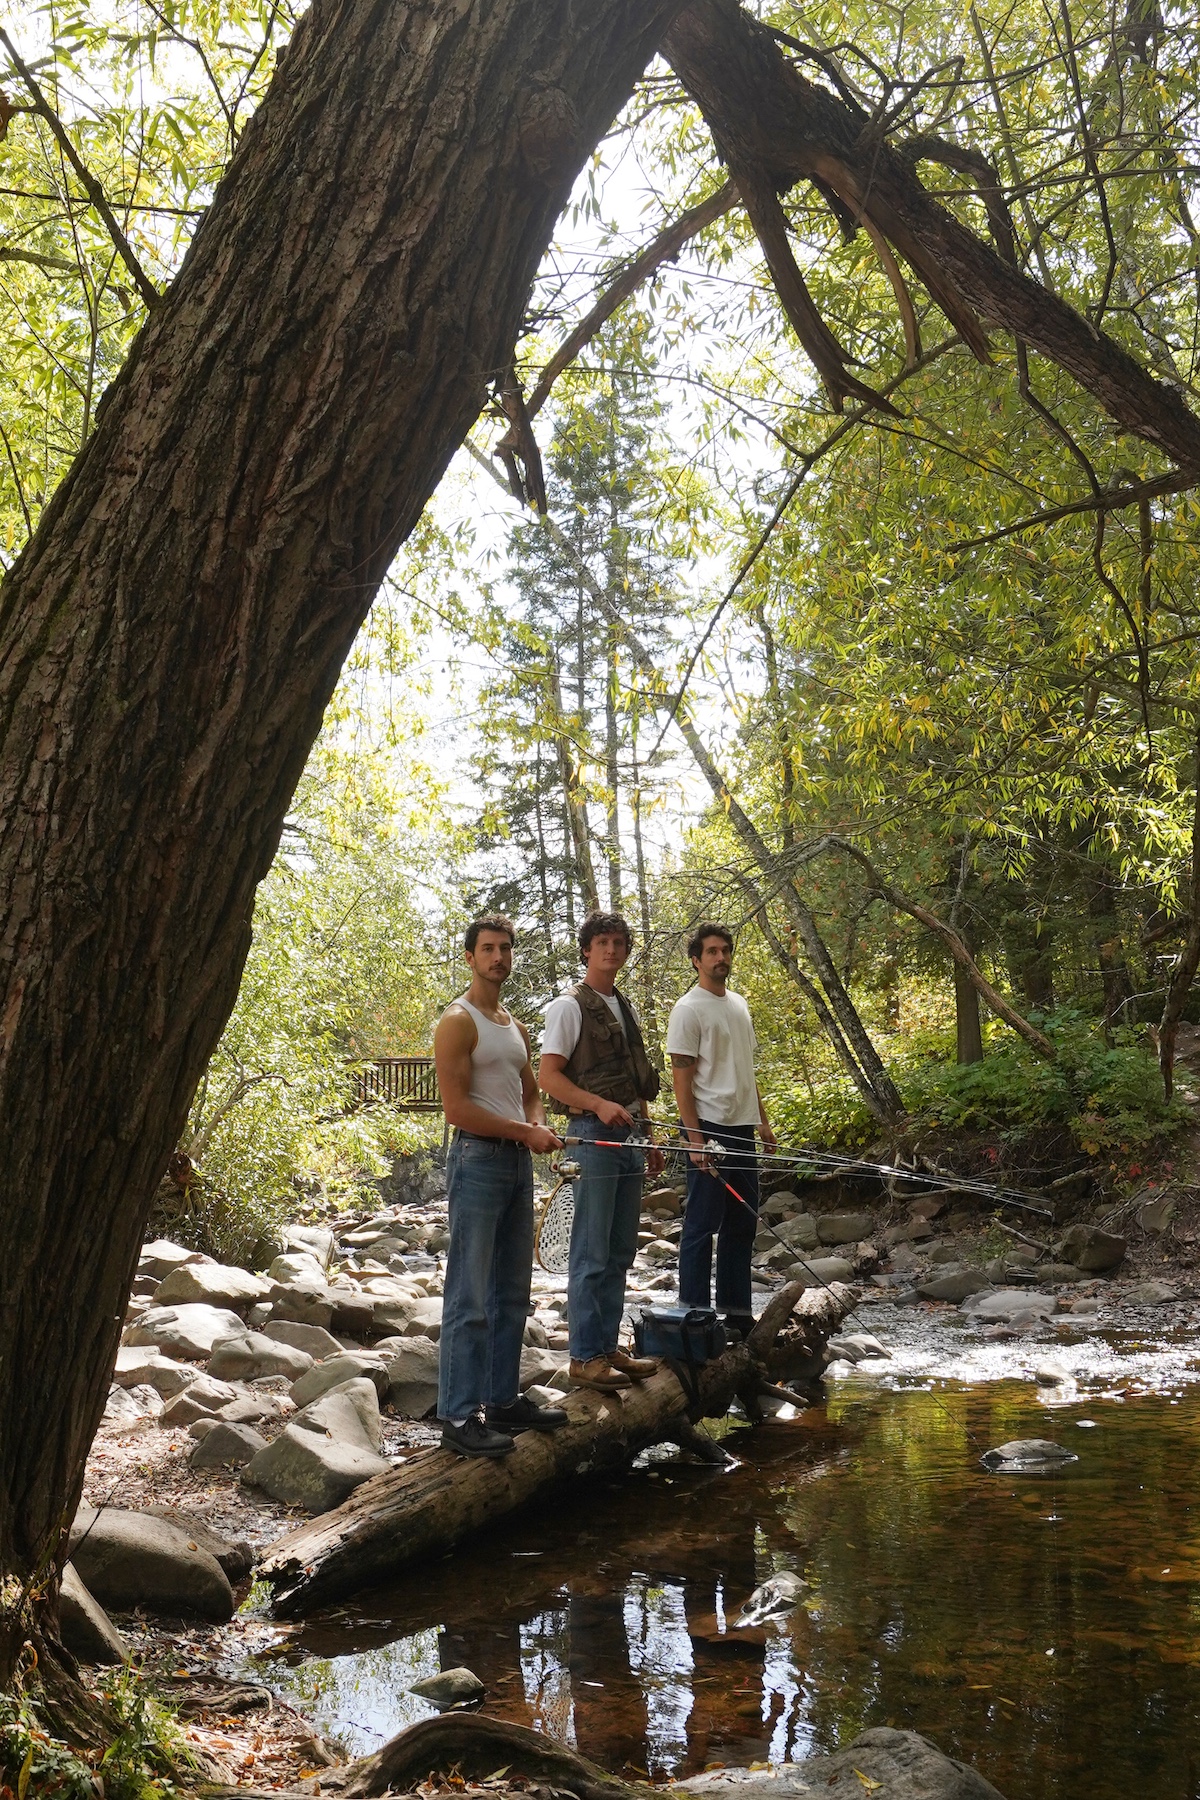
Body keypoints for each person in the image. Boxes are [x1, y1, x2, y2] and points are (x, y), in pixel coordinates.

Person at [434, 915, 568, 1458]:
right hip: (477, 1159)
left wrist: (536, 1125)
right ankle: (459, 1416)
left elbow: (529, 1088)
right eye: (488, 949)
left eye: (506, 949)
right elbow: (456, 1108)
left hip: (516, 1163)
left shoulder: (512, 1025)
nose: (499, 957)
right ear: (470, 958)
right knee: (469, 1296)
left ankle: (503, 1400)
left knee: (512, 1292)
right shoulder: (457, 1021)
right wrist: (522, 1131)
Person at [538, 911, 664, 1391]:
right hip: (592, 1136)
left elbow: (635, 1082)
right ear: (586, 950)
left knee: (619, 1251)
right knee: (590, 1251)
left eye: (619, 943)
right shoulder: (568, 1007)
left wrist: (648, 1134)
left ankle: (607, 1347)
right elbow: (549, 1077)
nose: (611, 950)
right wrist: (598, 1105)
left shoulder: (622, 1005)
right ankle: (585, 1357)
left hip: (630, 1138)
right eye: (602, 942)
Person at [667, 922, 776, 1340]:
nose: (720, 958)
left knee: (742, 1222)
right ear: (696, 960)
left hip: (742, 1128)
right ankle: (693, 1313)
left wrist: (762, 1120)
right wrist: (694, 1140)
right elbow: (682, 1079)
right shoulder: (688, 1009)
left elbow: (746, 1070)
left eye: (726, 950)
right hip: (708, 1127)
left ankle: (735, 1312)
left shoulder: (739, 1005)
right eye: (712, 951)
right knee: (701, 1223)